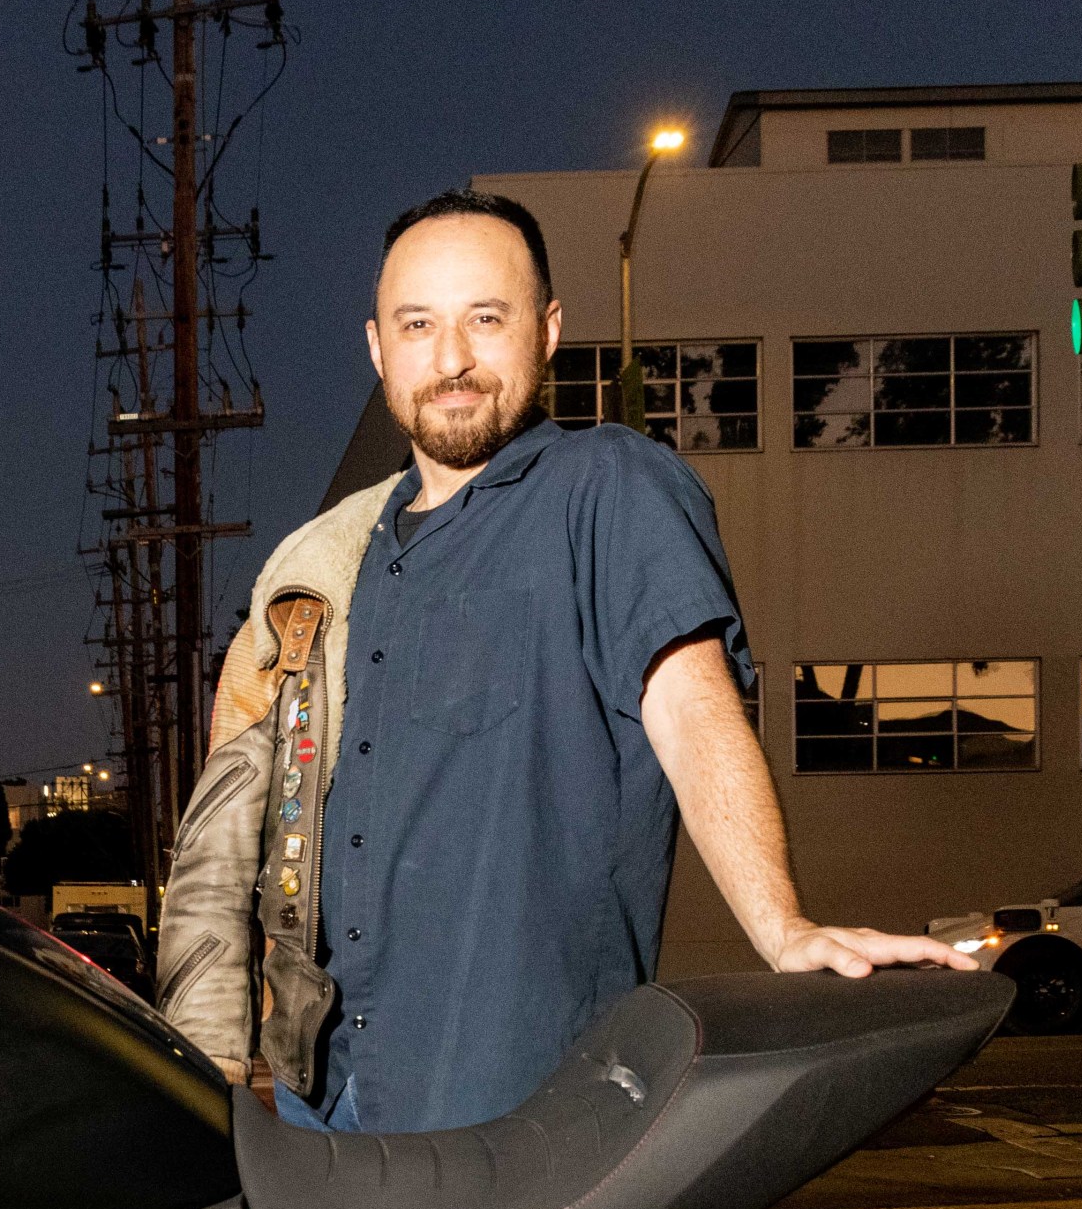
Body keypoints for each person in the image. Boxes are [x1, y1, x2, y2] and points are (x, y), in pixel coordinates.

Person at [157, 188, 968, 1134]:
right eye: (418, 325)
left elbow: (690, 705)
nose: (451, 358)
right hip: (323, 1101)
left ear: (547, 332)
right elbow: (241, 814)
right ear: (378, 347)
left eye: (485, 320)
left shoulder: (608, 488)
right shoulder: (329, 561)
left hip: (511, 1108)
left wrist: (782, 927)